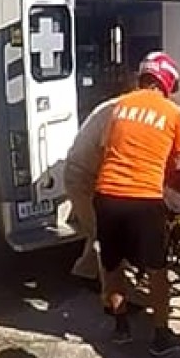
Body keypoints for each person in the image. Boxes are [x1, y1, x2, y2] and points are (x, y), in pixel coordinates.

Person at [93, 51, 180, 357]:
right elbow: (179, 161)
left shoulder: (120, 105)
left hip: (106, 195)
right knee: (157, 269)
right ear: (167, 82)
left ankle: (121, 328)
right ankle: (161, 336)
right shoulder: (173, 113)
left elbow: (105, 146)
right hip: (144, 199)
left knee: (113, 265)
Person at [63, 96, 120, 283]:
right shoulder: (117, 113)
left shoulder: (117, 107)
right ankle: (103, 282)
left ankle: (88, 273)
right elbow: (110, 153)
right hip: (82, 177)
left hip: (87, 172)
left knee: (101, 229)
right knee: (103, 230)